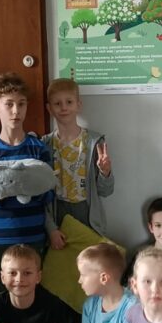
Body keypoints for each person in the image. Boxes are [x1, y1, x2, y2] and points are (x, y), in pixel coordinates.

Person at [0, 72, 60, 276]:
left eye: (21, 104)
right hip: (1, 235)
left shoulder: (38, 149)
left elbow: (50, 190)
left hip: (34, 232)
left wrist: (29, 191)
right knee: (4, 286)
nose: (16, 111)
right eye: (9, 104)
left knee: (33, 284)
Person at [41, 78, 115, 236]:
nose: (64, 107)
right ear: (49, 108)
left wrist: (105, 172)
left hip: (86, 213)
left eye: (69, 102)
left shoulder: (94, 142)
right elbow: (41, 192)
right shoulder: (44, 144)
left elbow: (106, 191)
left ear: (78, 105)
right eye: (57, 103)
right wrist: (51, 228)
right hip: (58, 212)